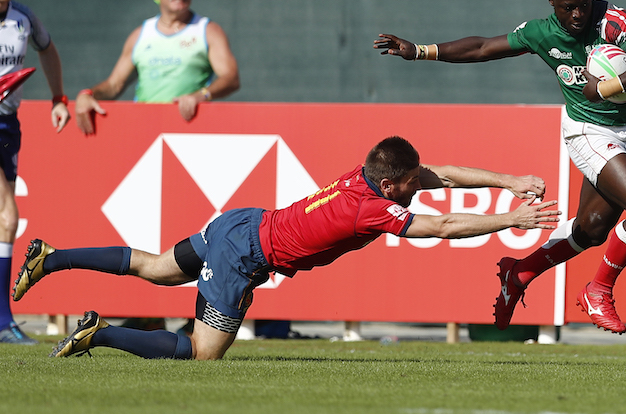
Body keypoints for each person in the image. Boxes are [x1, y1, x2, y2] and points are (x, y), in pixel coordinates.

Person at [13, 135, 559, 359]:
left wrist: (508, 180)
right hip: (243, 255)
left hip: (240, 222)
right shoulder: (372, 208)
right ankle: (98, 332)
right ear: (390, 185)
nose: (421, 185)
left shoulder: (366, 176)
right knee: (204, 353)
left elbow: (436, 174)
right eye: (411, 184)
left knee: (157, 268)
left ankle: (49, 256)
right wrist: (513, 216)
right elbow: (439, 229)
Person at [374, 0, 626, 334]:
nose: (578, 14)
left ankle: (519, 273)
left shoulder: (612, 21)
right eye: (568, 7)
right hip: (587, 132)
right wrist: (419, 50)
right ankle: (599, 290)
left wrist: (607, 88)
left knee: (593, 230)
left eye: (584, 4)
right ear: (552, 3)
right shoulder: (540, 33)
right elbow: (483, 47)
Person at [74, 0, 240, 134]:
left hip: (189, 130)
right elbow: (114, 85)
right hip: (144, 130)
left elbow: (231, 78)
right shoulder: (140, 35)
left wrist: (200, 96)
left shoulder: (208, 31)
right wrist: (87, 94)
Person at [0, 0, 71, 344]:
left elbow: (48, 50)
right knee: (8, 216)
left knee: (2, 221)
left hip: (8, 125)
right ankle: (2, 319)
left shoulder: (23, 19)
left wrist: (59, 97)